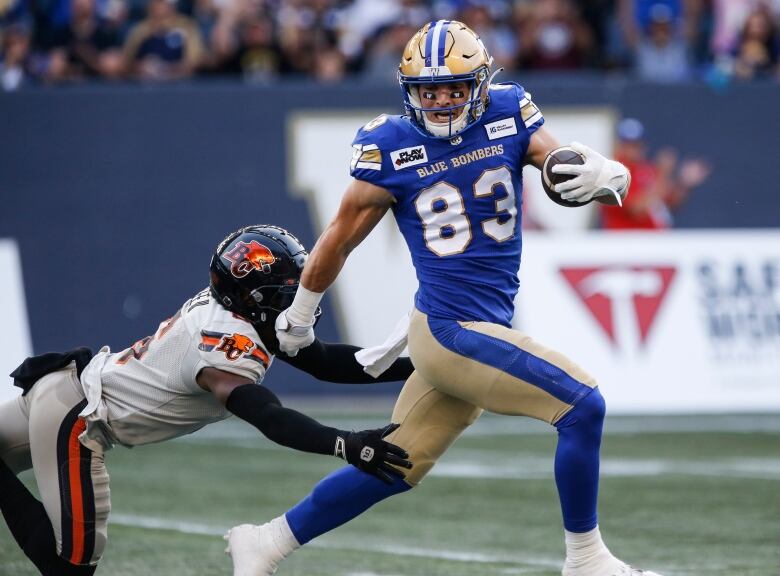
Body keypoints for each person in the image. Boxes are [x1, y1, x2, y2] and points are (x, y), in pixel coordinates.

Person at [226, 20, 664, 576]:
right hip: (449, 330)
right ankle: (586, 560)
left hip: (480, 328)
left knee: (396, 462)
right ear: (409, 89)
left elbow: (555, 166)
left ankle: (265, 542)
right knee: (582, 405)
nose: (439, 101)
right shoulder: (390, 145)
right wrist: (303, 312)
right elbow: (339, 235)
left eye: (453, 88)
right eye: (427, 90)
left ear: (479, 84)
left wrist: (601, 171)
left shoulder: (509, 112)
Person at [0, 224, 413, 576]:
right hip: (79, 419)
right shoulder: (226, 341)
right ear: (250, 298)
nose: (299, 297)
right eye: (285, 291)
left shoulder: (250, 311)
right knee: (67, 567)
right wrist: (345, 443)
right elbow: (267, 415)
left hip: (64, 390)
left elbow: (323, 362)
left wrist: (415, 365)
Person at [600, 117, 710, 230]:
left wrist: (684, 182)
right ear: (619, 145)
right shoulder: (612, 173)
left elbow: (670, 203)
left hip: (653, 240)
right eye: (629, 144)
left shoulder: (647, 169)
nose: (635, 149)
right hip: (627, 241)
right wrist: (664, 173)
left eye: (638, 144)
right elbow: (637, 208)